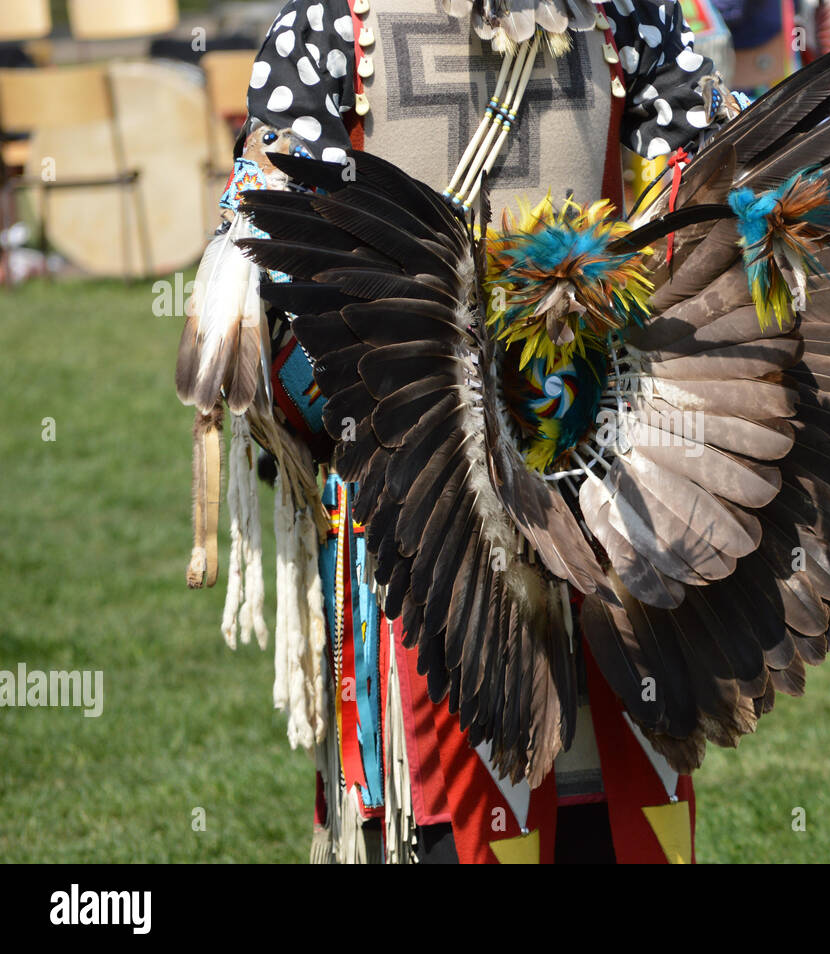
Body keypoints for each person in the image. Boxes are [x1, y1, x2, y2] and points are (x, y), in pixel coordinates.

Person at [178, 0, 743, 864]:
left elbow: (706, 197)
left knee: (614, 791)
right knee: (456, 795)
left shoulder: (629, 12)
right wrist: (381, 407)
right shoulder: (335, 23)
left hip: (607, 459)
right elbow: (273, 245)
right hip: (423, 493)